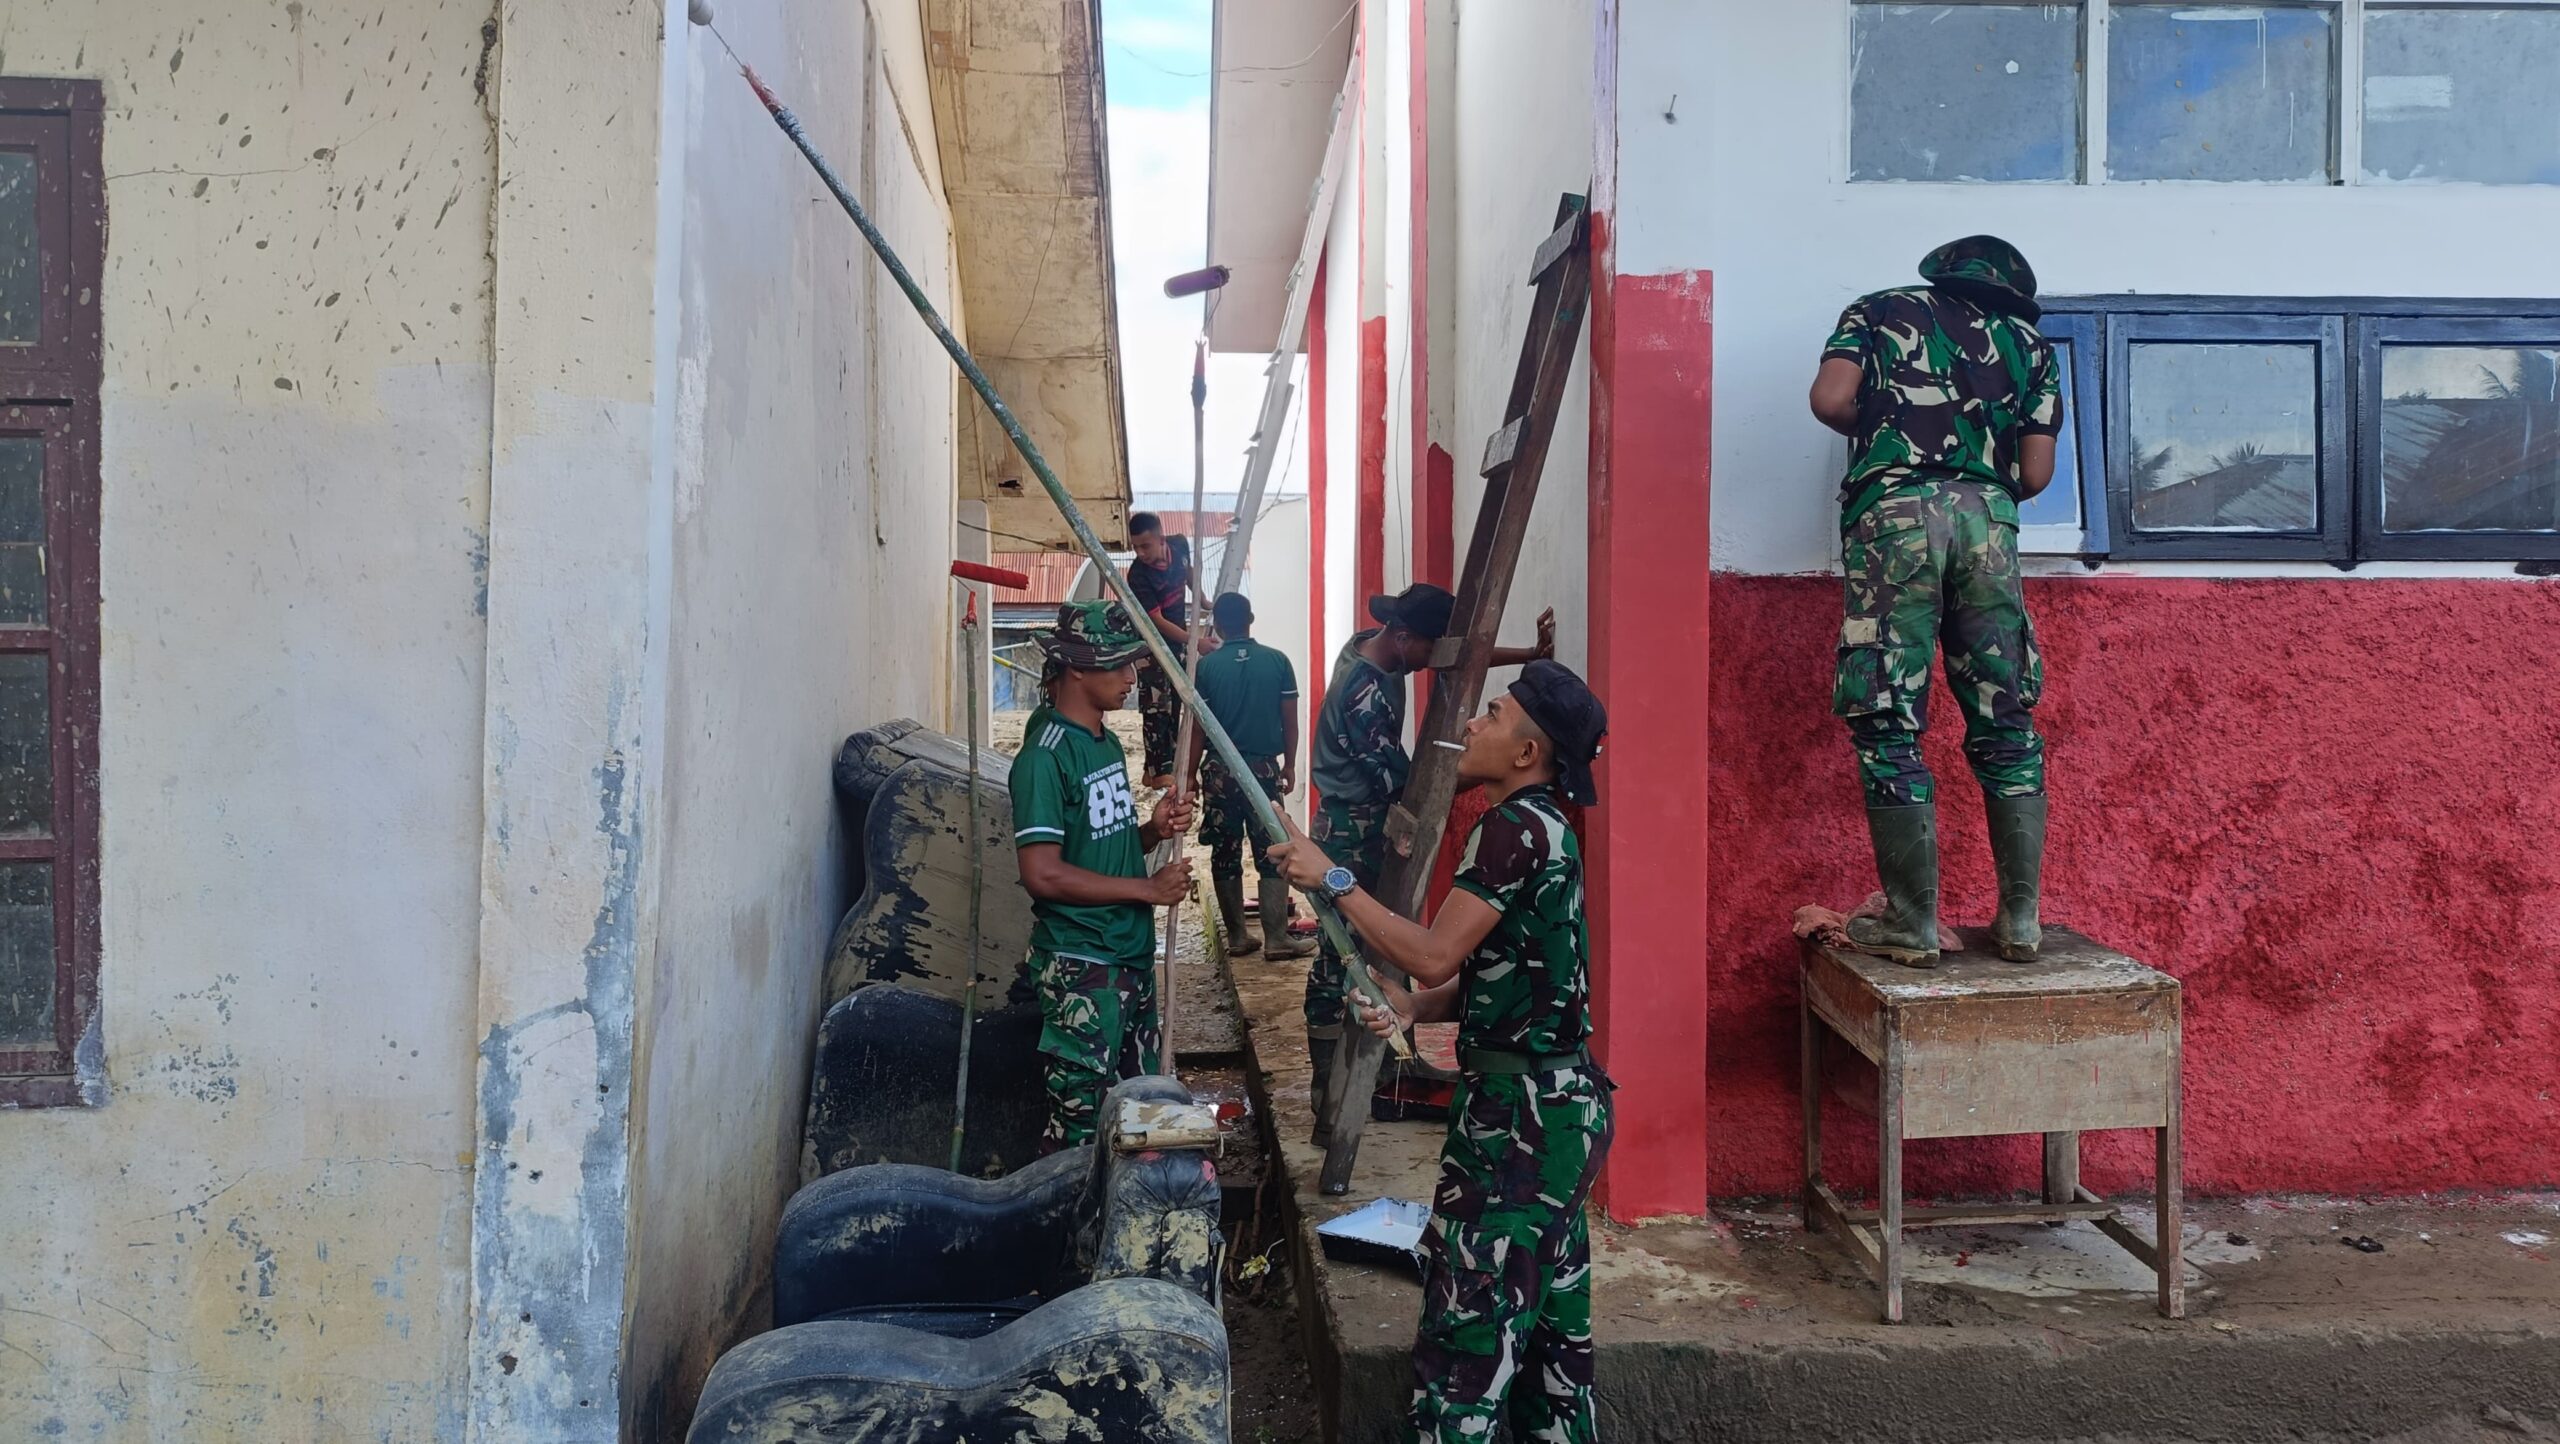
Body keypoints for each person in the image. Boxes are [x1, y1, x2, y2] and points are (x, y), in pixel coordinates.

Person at [1267, 660, 1612, 1444]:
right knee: (1553, 1367)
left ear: (1526, 753)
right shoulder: (1547, 826)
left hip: (1520, 1130)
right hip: (1560, 1115)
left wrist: (1333, 877)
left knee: (1464, 1357)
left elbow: (1431, 953)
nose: (1474, 724)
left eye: (1493, 714)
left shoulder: (1512, 829)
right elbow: (1520, 973)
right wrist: (1417, 1008)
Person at [1807, 234, 2060, 968]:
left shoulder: (1878, 310)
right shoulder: (2031, 346)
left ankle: (1912, 925)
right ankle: (2020, 923)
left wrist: (1892, 438)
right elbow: (2035, 475)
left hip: (1894, 519)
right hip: (1989, 528)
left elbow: (1830, 399)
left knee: (1888, 715)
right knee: (2004, 716)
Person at [1301, 582, 1554, 1118]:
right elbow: (1405, 785)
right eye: (1428, 649)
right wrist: (1482, 772)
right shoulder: (1363, 697)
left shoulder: (1373, 646)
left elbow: (1456, 657)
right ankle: (1328, 1092)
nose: (1431, 662)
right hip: (1352, 830)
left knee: (1388, 937)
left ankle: (1394, 1068)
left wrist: (1527, 655)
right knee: (1341, 951)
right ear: (1403, 637)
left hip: (1366, 820)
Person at [1008, 600, 1196, 1151]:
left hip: (1127, 957)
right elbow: (1042, 873)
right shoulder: (1044, 758)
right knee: (1082, 1134)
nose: (1131, 676)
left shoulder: (1105, 741)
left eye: (1132, 662)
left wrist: (1152, 831)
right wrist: (1147, 889)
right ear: (1076, 667)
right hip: (1083, 967)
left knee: (1141, 1119)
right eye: (1117, 664)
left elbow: (1101, 848)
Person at [1185, 591, 1314, 963]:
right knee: (1271, 849)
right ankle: (1277, 938)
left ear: (1218, 625)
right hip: (1263, 771)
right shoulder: (1277, 661)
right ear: (1250, 619)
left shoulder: (1206, 668)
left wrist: (1190, 776)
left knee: (1224, 850)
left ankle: (1239, 936)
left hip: (1219, 773)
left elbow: (1197, 729)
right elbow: (1290, 722)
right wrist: (1290, 764)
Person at [1124, 512, 1194, 789]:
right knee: (1156, 707)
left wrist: (1203, 599)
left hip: (1177, 640)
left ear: (1161, 539)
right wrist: (1193, 640)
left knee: (1176, 701)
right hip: (1151, 644)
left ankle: (1163, 766)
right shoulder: (1138, 575)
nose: (1140, 553)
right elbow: (1156, 620)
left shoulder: (1180, 545)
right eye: (1135, 547)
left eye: (1145, 546)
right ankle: (1156, 769)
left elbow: (1190, 572)